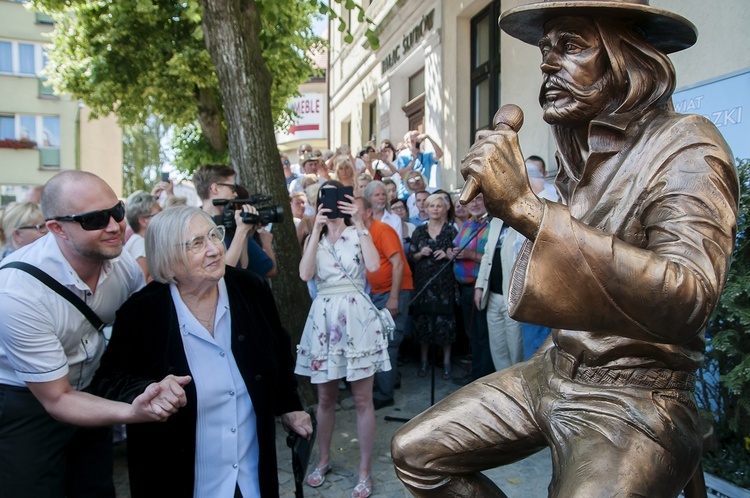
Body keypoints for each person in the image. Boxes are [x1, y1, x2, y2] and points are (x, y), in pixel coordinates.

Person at [392, 1, 738, 496]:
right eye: (546, 50)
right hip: (554, 368)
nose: (549, 64)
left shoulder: (687, 146)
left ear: (626, 57)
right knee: (416, 453)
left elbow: (691, 297)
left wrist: (528, 211)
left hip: (635, 393)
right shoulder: (581, 151)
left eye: (572, 46)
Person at [92, 205, 311, 497]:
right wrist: (149, 390)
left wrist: (289, 405)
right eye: (197, 243)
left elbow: (278, 349)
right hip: (181, 476)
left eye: (214, 235)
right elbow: (108, 381)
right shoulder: (142, 313)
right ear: (168, 258)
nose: (214, 249)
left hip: (249, 474)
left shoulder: (249, 288)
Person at [0, 171, 188, 497]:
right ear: (56, 228)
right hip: (28, 403)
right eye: (95, 219)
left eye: (117, 211)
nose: (114, 225)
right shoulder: (18, 293)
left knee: (96, 489)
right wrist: (132, 412)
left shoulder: (122, 266)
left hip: (90, 393)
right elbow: (57, 399)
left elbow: (145, 331)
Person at [295, 180, 390, 498]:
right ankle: (322, 460)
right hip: (323, 319)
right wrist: (315, 229)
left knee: (363, 400)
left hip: (357, 318)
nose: (331, 205)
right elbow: (305, 275)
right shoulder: (315, 236)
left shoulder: (357, 232)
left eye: (336, 199)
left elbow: (375, 267)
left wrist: (360, 223)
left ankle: (364, 470)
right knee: (325, 399)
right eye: (324, 199)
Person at [355, 196, 414, 410]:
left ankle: (384, 394)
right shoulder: (363, 233)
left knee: (389, 342)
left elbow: (398, 264)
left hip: (393, 291)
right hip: (378, 293)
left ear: (369, 212)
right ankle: (390, 381)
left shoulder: (382, 230)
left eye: (356, 209)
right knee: (382, 341)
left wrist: (394, 297)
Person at [193, 164, 276, 278]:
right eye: (232, 188)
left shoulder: (228, 220)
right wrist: (241, 230)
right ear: (215, 188)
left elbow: (242, 266)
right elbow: (223, 271)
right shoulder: (196, 225)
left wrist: (245, 233)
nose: (235, 194)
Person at [408, 193, 458, 380]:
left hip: (444, 282)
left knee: (446, 322)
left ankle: (446, 362)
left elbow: (457, 252)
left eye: (439, 206)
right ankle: (424, 361)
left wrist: (447, 254)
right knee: (423, 322)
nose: (435, 209)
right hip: (423, 283)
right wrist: (421, 253)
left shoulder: (452, 230)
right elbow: (411, 257)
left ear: (445, 209)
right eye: (432, 206)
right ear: (426, 209)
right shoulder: (419, 231)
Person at [448, 193, 491, 385]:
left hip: (479, 287)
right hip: (464, 287)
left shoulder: (491, 224)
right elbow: (456, 246)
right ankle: (475, 373)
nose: (474, 203)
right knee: (471, 333)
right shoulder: (468, 223)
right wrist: (452, 252)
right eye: (471, 200)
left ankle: (482, 377)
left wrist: (471, 254)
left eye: (479, 199)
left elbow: (492, 257)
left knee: (482, 334)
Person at [124, 190, 161, 281]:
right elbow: (142, 284)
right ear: (143, 221)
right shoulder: (140, 245)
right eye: (158, 213)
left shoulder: (139, 241)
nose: (163, 216)